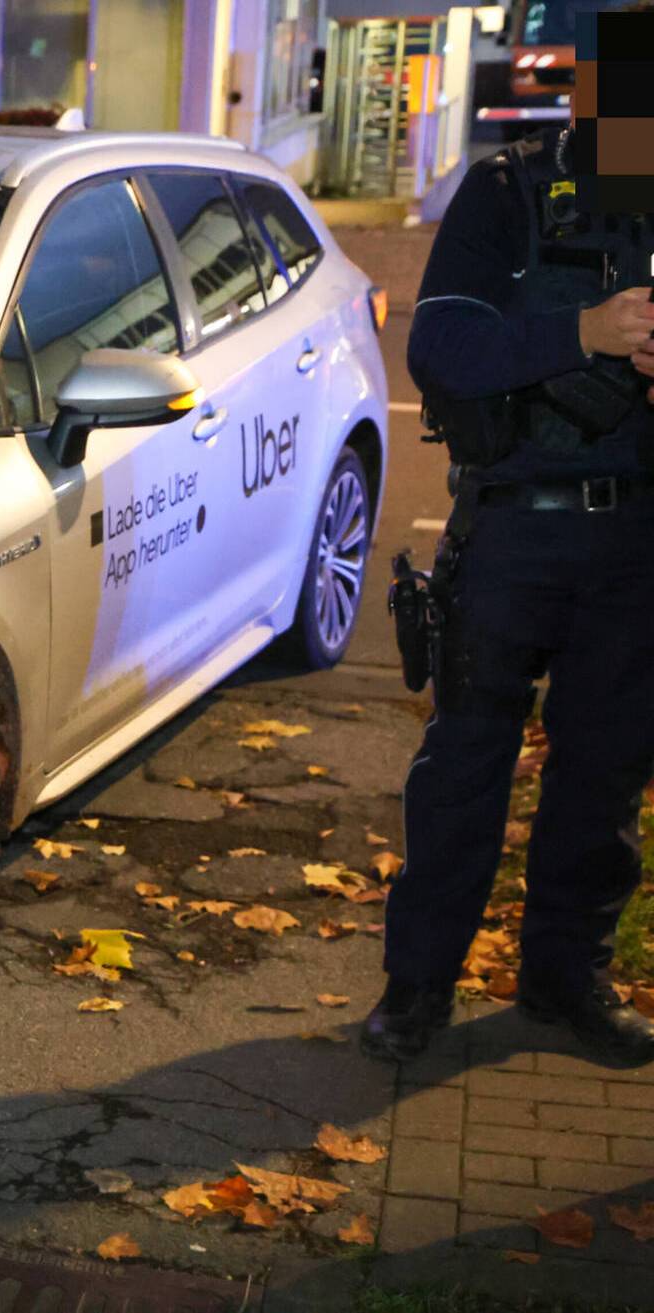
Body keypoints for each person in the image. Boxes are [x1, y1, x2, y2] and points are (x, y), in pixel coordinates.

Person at [361, 115, 654, 1068]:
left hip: (636, 539)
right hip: (514, 527)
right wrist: (585, 331)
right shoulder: (507, 190)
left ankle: (566, 982)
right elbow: (439, 346)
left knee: (606, 774)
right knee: (465, 768)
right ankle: (418, 988)